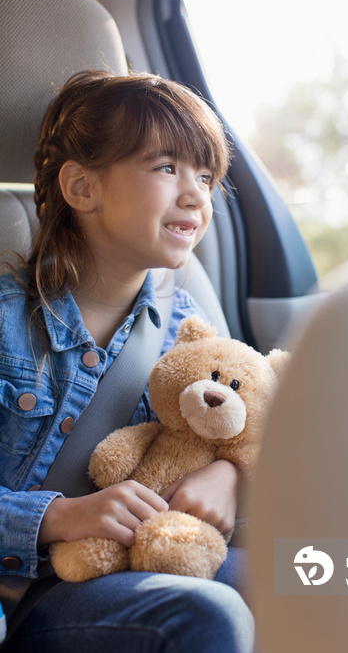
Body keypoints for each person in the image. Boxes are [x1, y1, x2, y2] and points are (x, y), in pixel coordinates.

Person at [0, 71, 254, 652]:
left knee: (332, 575)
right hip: (28, 598)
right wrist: (57, 519)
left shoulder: (188, 326)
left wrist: (230, 473)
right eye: (166, 167)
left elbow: (247, 418)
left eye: (206, 175)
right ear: (82, 187)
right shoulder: (6, 322)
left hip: (150, 560)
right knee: (207, 615)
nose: (196, 194)